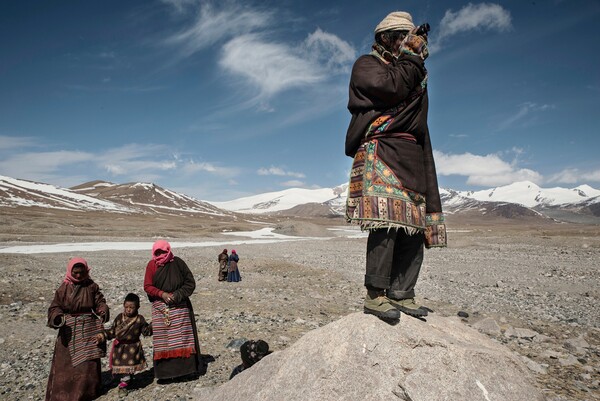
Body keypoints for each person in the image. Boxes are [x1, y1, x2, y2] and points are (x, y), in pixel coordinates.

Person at [345, 11, 447, 321]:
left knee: (413, 227)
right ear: (386, 39)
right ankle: (376, 294)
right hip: (384, 151)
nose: (408, 43)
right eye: (402, 37)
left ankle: (402, 292)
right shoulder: (367, 65)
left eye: (410, 37)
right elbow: (392, 87)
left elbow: (418, 118)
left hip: (412, 154)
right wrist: (411, 57)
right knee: (386, 221)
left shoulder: (412, 69)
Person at [45, 257, 109, 401]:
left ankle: (88, 392)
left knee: (88, 363)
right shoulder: (63, 288)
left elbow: (100, 301)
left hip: (88, 327)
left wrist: (103, 309)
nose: (79, 275)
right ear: (70, 271)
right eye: (75, 272)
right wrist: (57, 317)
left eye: (82, 272)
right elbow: (54, 307)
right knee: (66, 364)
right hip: (69, 329)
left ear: (86, 271)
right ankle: (64, 393)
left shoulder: (92, 286)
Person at [143, 240, 204, 382]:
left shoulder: (178, 263)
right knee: (163, 341)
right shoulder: (151, 265)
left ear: (168, 250)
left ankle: (186, 371)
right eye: (157, 252)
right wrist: (162, 294)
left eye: (163, 252)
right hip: (160, 308)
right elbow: (147, 286)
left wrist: (177, 295)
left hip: (180, 307)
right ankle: (165, 374)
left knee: (183, 339)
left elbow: (190, 283)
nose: (160, 255)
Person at [97, 293, 152, 393]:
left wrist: (152, 326)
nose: (128, 309)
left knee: (128, 367)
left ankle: (124, 385)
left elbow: (146, 331)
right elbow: (113, 331)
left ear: (138, 307)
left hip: (132, 348)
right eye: (126, 307)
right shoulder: (119, 317)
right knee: (122, 366)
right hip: (119, 347)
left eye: (132, 307)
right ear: (123, 305)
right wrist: (103, 335)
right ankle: (126, 379)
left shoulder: (140, 319)